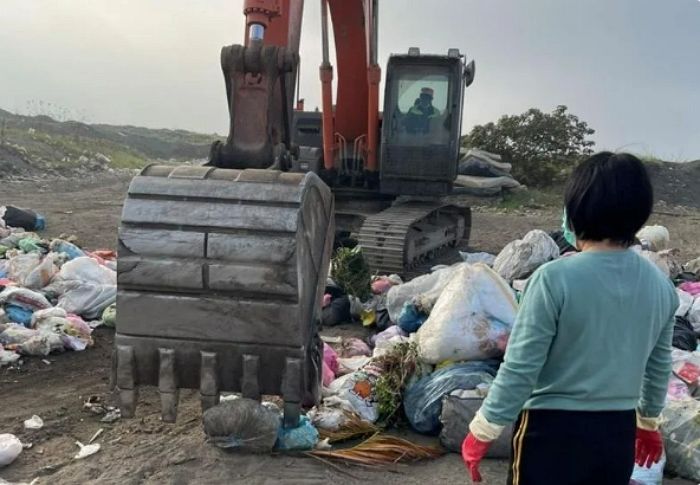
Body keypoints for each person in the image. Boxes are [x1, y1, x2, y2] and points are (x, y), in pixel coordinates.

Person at [461, 152, 679, 485]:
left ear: (577, 209)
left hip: (551, 432)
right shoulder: (661, 287)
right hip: (616, 434)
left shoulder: (553, 279)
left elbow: (521, 367)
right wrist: (648, 424)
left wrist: (483, 428)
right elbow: (658, 367)